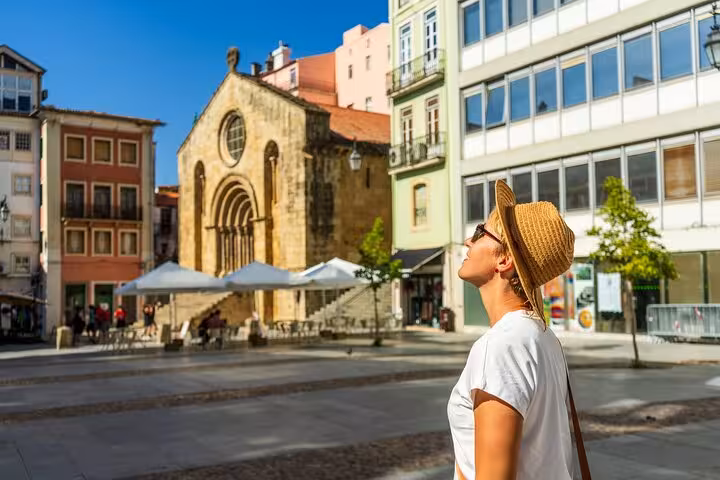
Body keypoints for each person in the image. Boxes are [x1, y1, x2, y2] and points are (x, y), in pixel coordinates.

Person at [448, 180, 579, 480]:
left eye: (481, 232)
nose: (469, 241)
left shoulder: (502, 346)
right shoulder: (542, 337)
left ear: (504, 260)